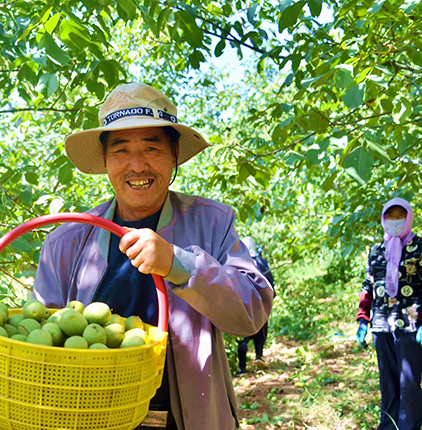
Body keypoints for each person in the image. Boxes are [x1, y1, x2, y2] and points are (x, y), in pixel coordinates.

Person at [33, 83, 273, 430]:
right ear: (104, 160)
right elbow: (45, 337)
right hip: (93, 416)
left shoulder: (213, 222)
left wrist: (179, 264)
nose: (137, 165)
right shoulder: (67, 242)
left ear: (174, 153)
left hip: (187, 418)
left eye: (151, 147)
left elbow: (250, 314)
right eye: (120, 150)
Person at [356, 197, 422, 430]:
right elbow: (368, 285)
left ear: (409, 218)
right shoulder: (377, 251)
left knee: (409, 381)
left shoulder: (419, 247)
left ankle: (409, 426)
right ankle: (389, 425)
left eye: (400, 216)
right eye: (390, 216)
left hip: (410, 324)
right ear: (384, 219)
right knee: (388, 381)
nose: (395, 221)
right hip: (381, 322)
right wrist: (363, 319)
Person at [237, 237, 275, 374]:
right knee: (259, 329)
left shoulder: (238, 262)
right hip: (259, 303)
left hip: (244, 303)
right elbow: (270, 283)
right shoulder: (261, 262)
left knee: (243, 333)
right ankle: (258, 356)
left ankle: (242, 367)